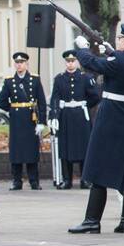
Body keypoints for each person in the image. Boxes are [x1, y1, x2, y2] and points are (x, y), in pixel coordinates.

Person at [67, 25, 124, 234]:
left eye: (121, 39)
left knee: (97, 166)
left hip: (111, 115)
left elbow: (91, 63)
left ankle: (92, 220)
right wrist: (112, 52)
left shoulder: (120, 61)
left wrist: (82, 48)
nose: (119, 40)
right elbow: (119, 65)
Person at [49, 50, 100, 189]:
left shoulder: (85, 77)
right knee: (65, 149)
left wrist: (85, 104)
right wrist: (53, 115)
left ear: (77, 62)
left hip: (81, 116)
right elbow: (55, 97)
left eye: (72, 61)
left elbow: (95, 95)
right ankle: (67, 180)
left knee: (84, 148)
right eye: (68, 61)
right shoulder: (59, 79)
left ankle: (85, 179)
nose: (70, 63)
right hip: (65, 116)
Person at [0, 52, 47, 190]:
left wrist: (42, 122)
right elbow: (1, 102)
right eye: (17, 63)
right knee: (16, 151)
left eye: (22, 62)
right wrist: (12, 109)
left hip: (31, 119)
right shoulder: (9, 81)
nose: (19, 65)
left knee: (31, 150)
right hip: (17, 120)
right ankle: (17, 181)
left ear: (26, 64)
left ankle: (34, 181)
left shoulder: (35, 80)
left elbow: (41, 102)